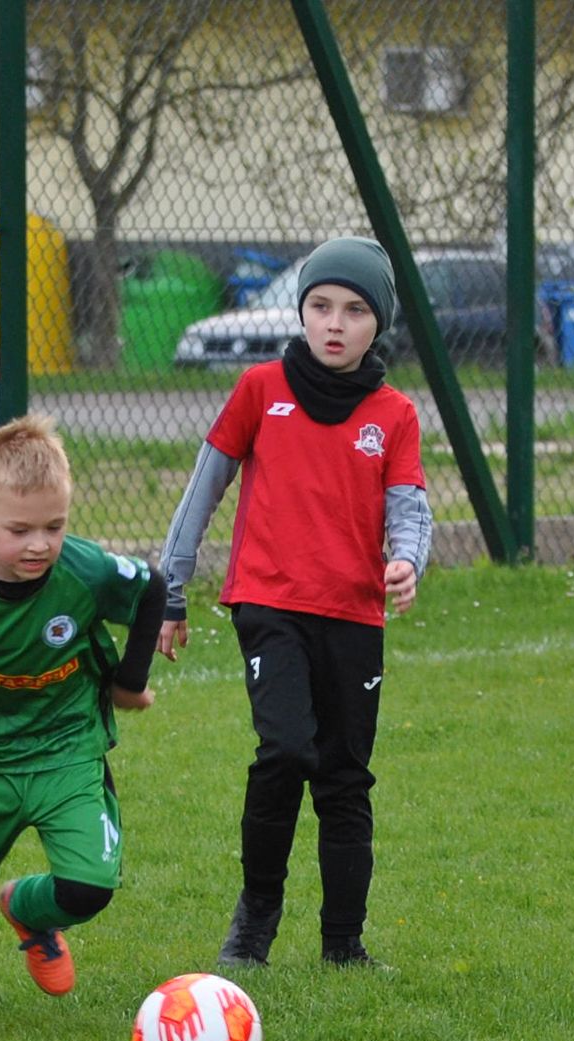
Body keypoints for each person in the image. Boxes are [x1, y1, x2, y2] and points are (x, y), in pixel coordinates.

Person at [156, 236, 432, 971]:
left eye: (352, 310)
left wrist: (407, 559)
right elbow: (202, 490)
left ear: (379, 324)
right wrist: (170, 589)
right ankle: (254, 926)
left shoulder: (394, 414)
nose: (333, 322)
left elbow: (409, 508)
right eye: (319, 306)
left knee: (344, 776)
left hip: (353, 616)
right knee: (283, 750)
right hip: (268, 603)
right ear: (300, 311)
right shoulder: (259, 389)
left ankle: (344, 943)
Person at [0, 414, 166, 1029]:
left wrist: (127, 681)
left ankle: (30, 911)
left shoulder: (83, 568)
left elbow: (151, 588)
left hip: (66, 750)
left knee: (90, 889)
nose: (40, 544)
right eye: (19, 530)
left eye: (55, 526)